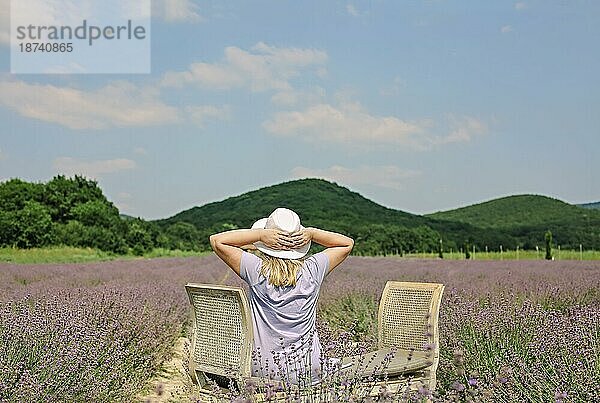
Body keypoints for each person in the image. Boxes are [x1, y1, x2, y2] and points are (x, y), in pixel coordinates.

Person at [209, 207, 354, 385]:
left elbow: (217, 240)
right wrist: (312, 233)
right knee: (337, 364)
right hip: (308, 371)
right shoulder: (313, 269)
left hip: (263, 371)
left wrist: (260, 236)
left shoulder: (256, 270)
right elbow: (347, 244)